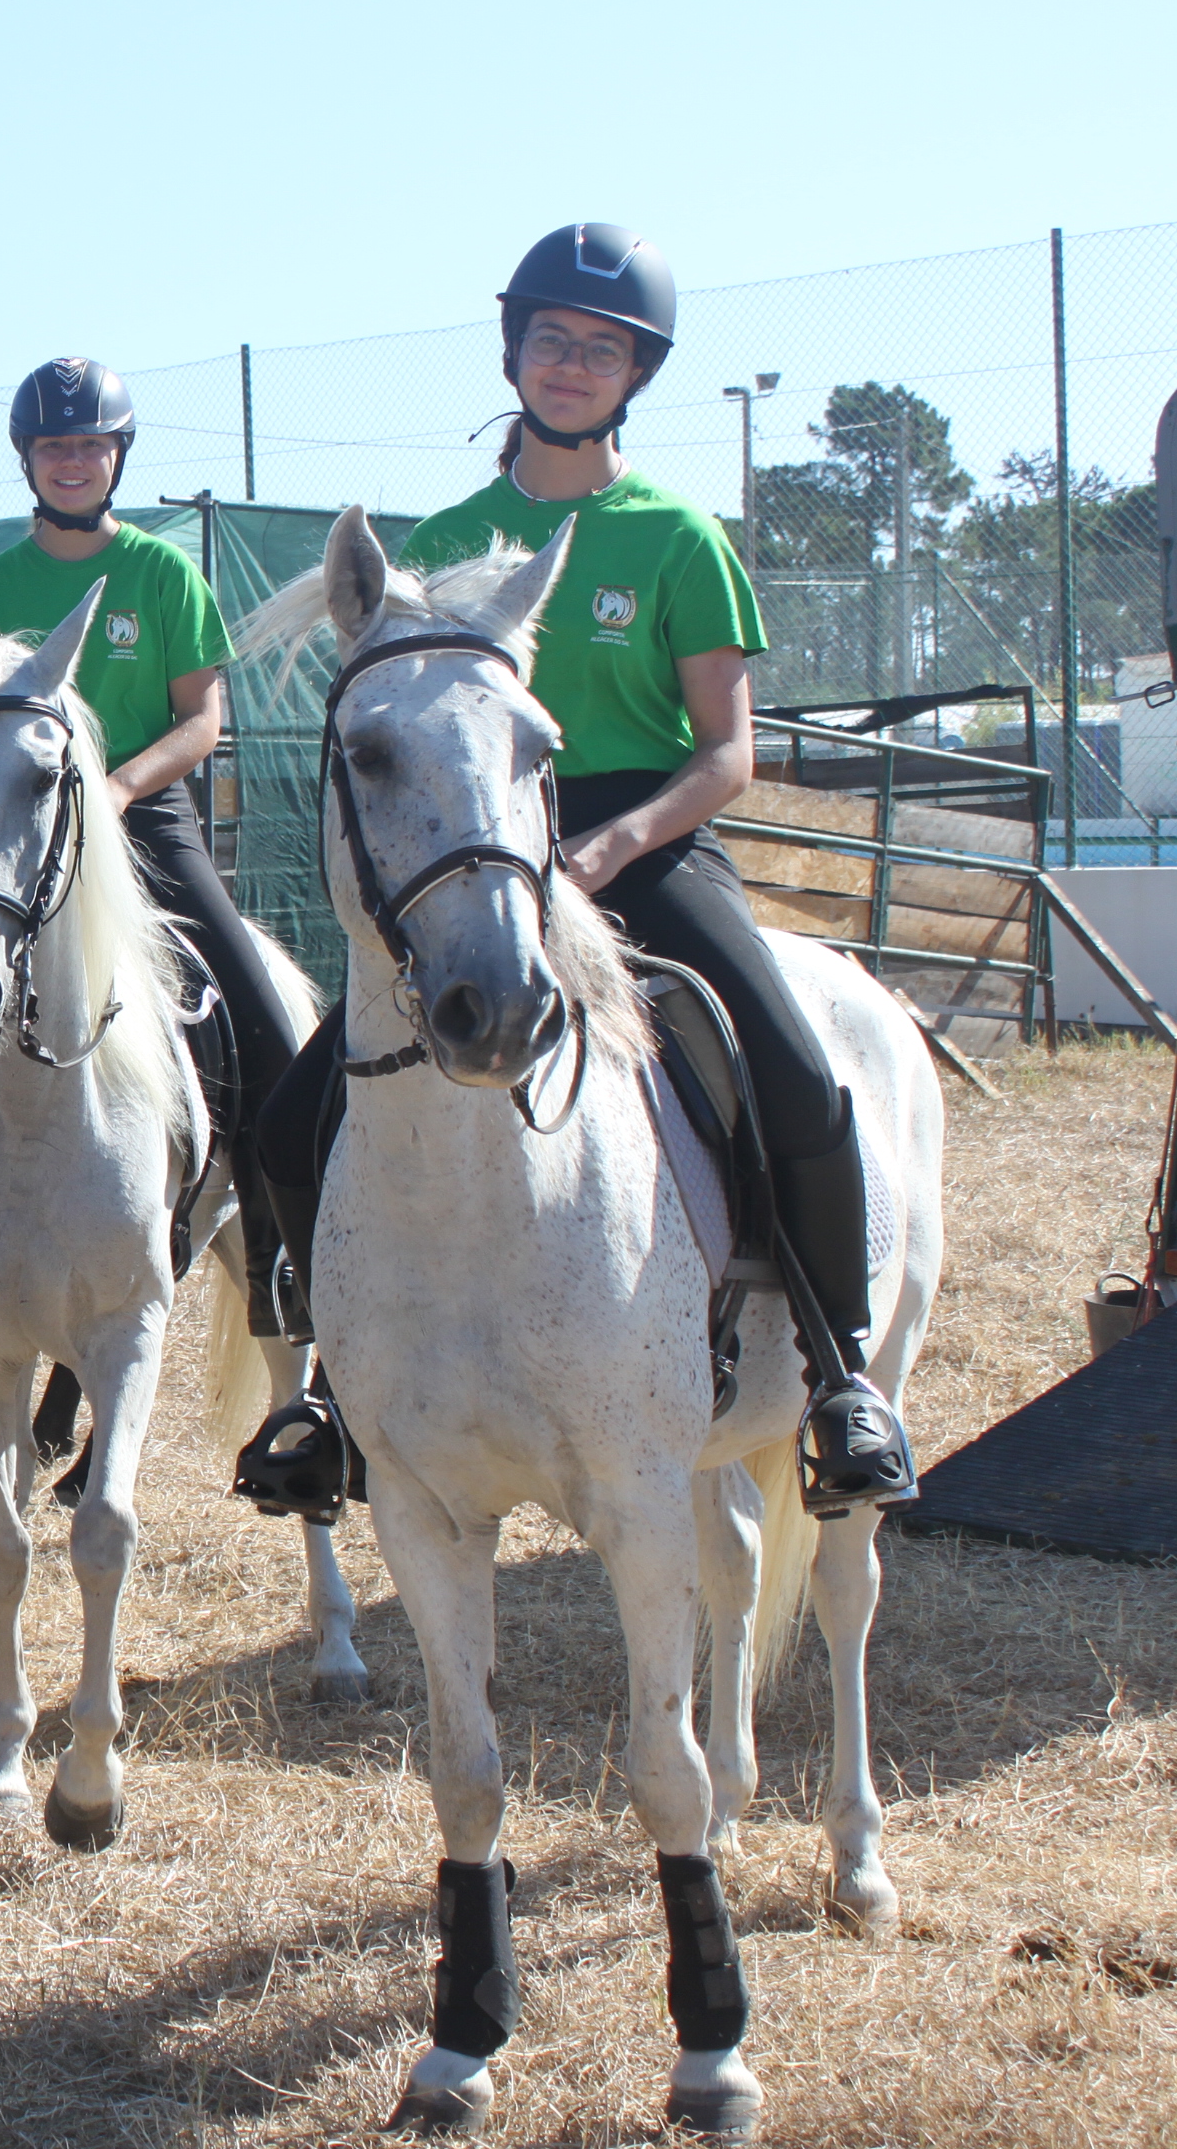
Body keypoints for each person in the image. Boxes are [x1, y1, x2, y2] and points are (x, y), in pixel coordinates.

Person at [246, 223, 917, 1515]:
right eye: (551, 340)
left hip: (640, 837)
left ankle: (840, 1379)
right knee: (293, 1112)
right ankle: (332, 1390)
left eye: (600, 349)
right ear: (514, 352)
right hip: (468, 849)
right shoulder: (446, 534)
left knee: (787, 1063)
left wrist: (607, 848)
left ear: (635, 373)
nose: (570, 365)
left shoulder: (676, 535)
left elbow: (728, 753)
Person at [0, 358, 308, 1337]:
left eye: (89, 445)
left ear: (118, 456)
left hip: (144, 824)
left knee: (266, 1022)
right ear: (27, 460)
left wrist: (115, 789)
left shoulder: (165, 574)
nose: (71, 461)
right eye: (53, 446)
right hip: (7, 839)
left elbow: (204, 721)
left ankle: (289, 1261)